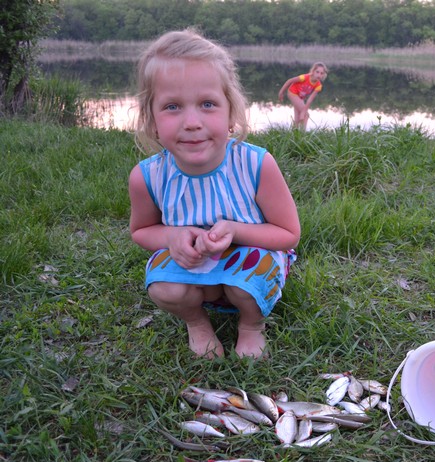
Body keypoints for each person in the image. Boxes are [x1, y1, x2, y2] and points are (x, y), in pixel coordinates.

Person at [128, 28, 301, 359]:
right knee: (163, 285)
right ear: (151, 119)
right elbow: (141, 231)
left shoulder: (256, 164)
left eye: (207, 104)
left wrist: (235, 230)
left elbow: (288, 234)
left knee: (248, 281)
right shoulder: (147, 176)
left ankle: (251, 325)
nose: (192, 122)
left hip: (251, 263)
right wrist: (172, 236)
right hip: (195, 269)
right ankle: (197, 322)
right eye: (172, 107)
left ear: (230, 112)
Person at [278, 62, 328, 130]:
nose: (319, 75)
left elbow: (310, 99)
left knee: (298, 118)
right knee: (306, 115)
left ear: (323, 75)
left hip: (300, 97)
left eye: (321, 73)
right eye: (317, 72)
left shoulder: (318, 86)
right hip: (292, 93)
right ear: (313, 71)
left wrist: (303, 111)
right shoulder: (304, 77)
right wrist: (281, 92)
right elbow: (289, 81)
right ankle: (303, 134)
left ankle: (294, 133)